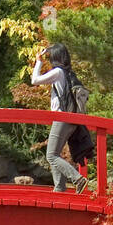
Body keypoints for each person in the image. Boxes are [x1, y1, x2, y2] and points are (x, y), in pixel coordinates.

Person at [30, 43, 89, 193]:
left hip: (62, 117)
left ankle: (77, 179)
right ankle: (59, 189)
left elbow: (35, 80)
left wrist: (39, 61)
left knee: (51, 156)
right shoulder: (69, 73)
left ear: (55, 57)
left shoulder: (58, 72)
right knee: (55, 154)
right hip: (71, 118)